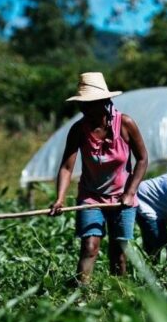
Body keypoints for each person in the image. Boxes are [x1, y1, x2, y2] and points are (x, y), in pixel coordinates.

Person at [49, 72, 148, 285]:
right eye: (81, 104)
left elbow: (142, 159)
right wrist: (59, 199)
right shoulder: (78, 130)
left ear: (103, 102)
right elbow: (67, 167)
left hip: (122, 198)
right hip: (91, 196)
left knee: (118, 253)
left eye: (88, 104)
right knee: (89, 247)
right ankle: (80, 294)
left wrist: (130, 193)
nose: (83, 109)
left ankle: (117, 298)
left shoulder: (125, 124)